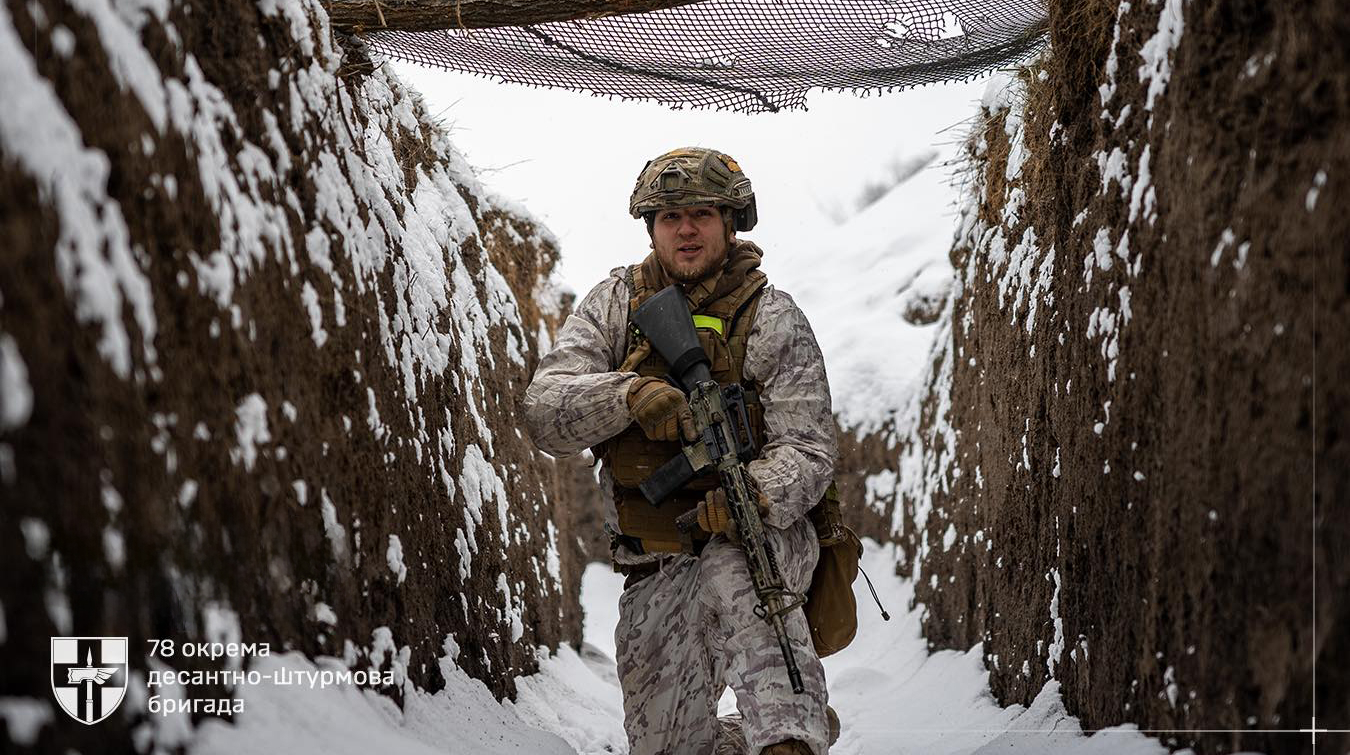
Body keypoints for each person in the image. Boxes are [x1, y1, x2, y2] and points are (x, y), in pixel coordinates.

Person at [524, 147, 837, 755]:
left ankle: (789, 736)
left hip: (763, 540)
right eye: (671, 217)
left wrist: (753, 494)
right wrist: (628, 395)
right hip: (658, 562)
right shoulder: (616, 304)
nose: (686, 230)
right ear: (651, 228)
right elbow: (544, 411)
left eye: (701, 214)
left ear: (730, 221)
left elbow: (809, 449)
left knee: (735, 567)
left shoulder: (772, 317)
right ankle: (741, 740)